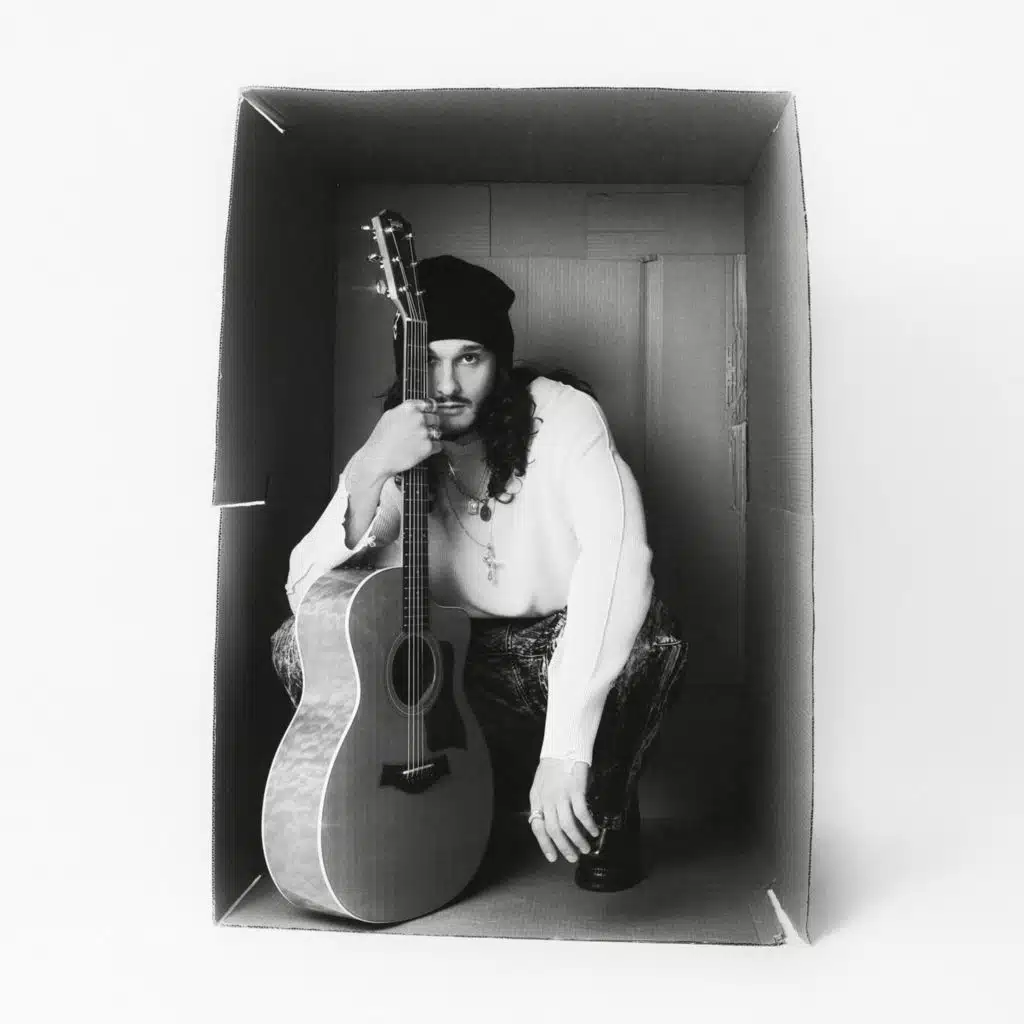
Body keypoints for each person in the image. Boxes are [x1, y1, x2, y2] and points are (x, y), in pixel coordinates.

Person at [273, 254, 688, 892]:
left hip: (553, 651)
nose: (446, 384)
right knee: (295, 644)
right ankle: (415, 806)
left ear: (500, 359)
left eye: (469, 358)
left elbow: (620, 559)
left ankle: (603, 809)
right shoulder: (401, 440)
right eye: (429, 360)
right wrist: (369, 468)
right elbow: (305, 596)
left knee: (651, 639)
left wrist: (567, 747)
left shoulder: (564, 417)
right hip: (453, 664)